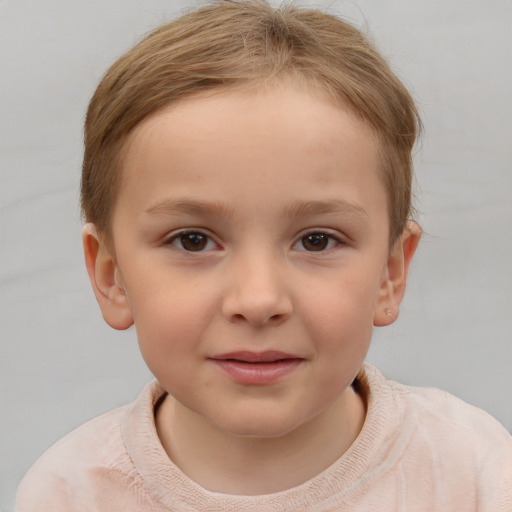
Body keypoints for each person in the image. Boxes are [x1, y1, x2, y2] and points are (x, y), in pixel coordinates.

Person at [15, 1, 512, 510]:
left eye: (317, 240)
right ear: (111, 275)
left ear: (390, 272)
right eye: (193, 240)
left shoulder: (476, 475)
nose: (257, 300)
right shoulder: (68, 494)